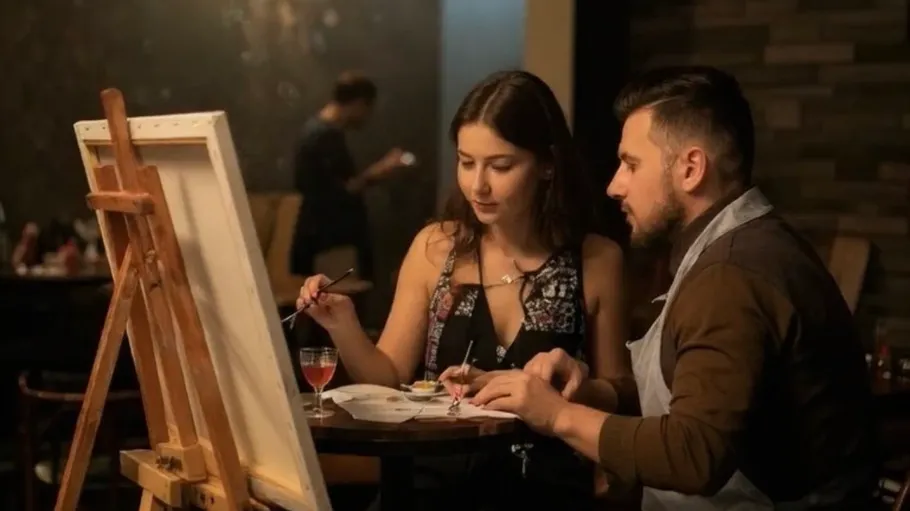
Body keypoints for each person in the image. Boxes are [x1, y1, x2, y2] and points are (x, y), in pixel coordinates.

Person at [471, 65, 879, 509]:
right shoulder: (737, 243)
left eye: (630, 164)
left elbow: (694, 453)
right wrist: (592, 391)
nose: (614, 185)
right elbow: (690, 396)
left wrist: (558, 416)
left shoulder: (731, 274)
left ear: (690, 169)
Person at [297, 69, 634, 510]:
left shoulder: (596, 260)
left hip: (545, 491)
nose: (478, 186)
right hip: (434, 487)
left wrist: (574, 386)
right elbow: (388, 377)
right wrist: (342, 324)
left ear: (548, 164)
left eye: (500, 166)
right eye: (466, 161)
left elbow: (622, 393)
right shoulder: (435, 249)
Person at [290, 71, 409, 281]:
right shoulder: (325, 136)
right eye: (367, 109)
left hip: (320, 242)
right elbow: (340, 191)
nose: (367, 116)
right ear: (359, 103)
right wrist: (381, 170)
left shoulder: (315, 132)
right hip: (330, 247)